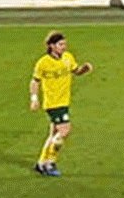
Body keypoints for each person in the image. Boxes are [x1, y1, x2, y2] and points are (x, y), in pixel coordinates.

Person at [29, 31, 94, 177]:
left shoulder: (68, 58)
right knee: (64, 130)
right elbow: (35, 81)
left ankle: (41, 163)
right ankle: (50, 162)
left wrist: (84, 69)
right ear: (52, 46)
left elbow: (75, 71)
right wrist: (34, 98)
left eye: (64, 44)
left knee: (53, 134)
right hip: (53, 102)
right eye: (60, 44)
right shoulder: (43, 62)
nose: (64, 47)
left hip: (64, 101)